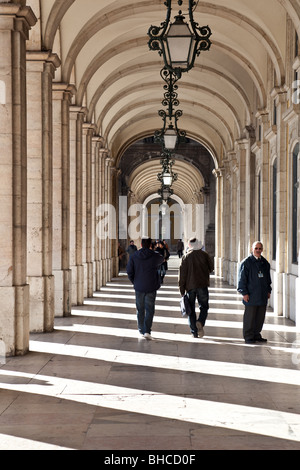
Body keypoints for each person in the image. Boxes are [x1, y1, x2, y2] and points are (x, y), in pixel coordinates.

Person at [127, 237, 164, 340]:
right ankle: (147, 330)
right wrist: (153, 250)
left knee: (140, 308)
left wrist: (135, 281)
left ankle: (140, 329)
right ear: (150, 245)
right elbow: (162, 258)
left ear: (141, 245)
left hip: (139, 286)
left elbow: (129, 271)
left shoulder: (134, 256)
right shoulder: (154, 256)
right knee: (150, 309)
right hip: (151, 286)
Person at [178, 238, 214, 338]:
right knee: (204, 306)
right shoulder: (205, 255)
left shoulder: (186, 257)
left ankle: (194, 331)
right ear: (198, 244)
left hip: (190, 287)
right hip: (202, 285)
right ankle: (201, 322)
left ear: (189, 245)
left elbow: (182, 275)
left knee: (191, 309)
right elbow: (211, 268)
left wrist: (181, 289)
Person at [237, 241, 272, 344]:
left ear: (262, 250)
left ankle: (257, 334)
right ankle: (248, 336)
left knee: (260, 317)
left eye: (260, 248)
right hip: (251, 295)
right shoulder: (246, 262)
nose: (258, 250)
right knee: (250, 317)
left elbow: (268, 279)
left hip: (262, 295)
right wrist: (244, 293)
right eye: (256, 248)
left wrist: (268, 290)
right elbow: (242, 279)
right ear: (252, 249)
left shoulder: (265, 263)